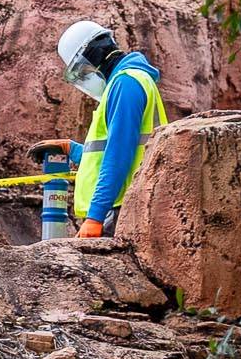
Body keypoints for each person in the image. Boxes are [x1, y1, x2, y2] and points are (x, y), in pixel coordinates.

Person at [50, 19, 168, 237]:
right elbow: (117, 147)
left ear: (91, 58)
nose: (86, 78)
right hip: (124, 204)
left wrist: (95, 217)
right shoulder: (127, 81)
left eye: (82, 71)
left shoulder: (126, 83)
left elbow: (118, 154)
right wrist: (75, 151)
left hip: (123, 207)